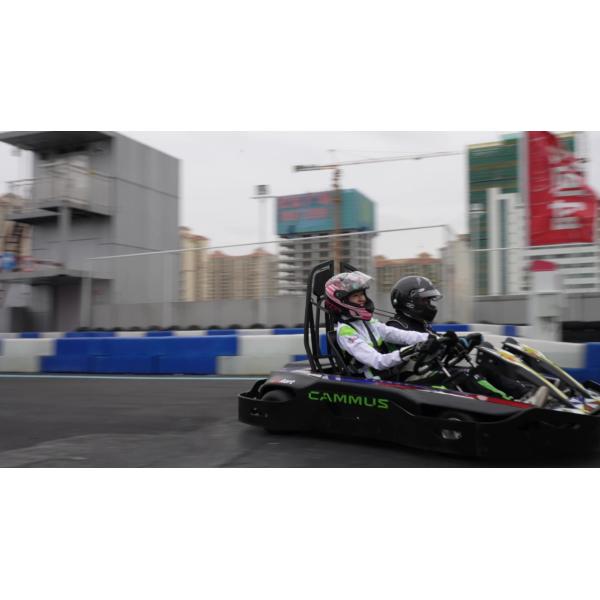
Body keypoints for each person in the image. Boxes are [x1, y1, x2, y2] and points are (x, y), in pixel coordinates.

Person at [386, 275, 548, 407]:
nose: (430, 304)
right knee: (467, 376)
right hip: (412, 381)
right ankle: (514, 405)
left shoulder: (421, 325)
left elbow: (436, 343)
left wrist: (462, 342)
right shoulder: (395, 327)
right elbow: (403, 358)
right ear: (410, 302)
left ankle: (525, 392)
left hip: (433, 372)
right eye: (426, 300)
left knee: (486, 367)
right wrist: (436, 347)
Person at [324, 271, 431, 378]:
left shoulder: (368, 323)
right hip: (370, 382)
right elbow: (377, 361)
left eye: (362, 294)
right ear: (342, 301)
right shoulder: (345, 332)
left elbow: (401, 335)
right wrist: (412, 350)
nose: (362, 299)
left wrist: (430, 337)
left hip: (388, 376)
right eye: (356, 295)